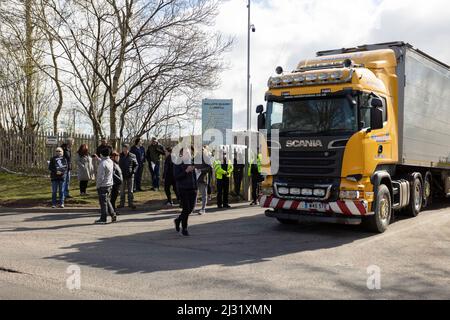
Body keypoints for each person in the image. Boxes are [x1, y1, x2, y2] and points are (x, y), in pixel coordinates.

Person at [173, 148, 197, 236]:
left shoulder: (191, 162)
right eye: (186, 153)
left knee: (190, 209)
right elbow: (176, 176)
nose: (188, 154)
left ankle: (178, 220)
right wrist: (186, 171)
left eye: (189, 152)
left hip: (192, 188)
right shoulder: (177, 163)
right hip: (183, 188)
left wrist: (196, 187)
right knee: (186, 208)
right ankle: (184, 228)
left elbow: (194, 176)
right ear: (181, 154)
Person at [95, 148, 116, 224]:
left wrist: (98, 185)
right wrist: (98, 159)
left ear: (101, 154)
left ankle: (103, 218)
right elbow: (104, 161)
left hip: (103, 185)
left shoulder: (102, 164)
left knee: (103, 203)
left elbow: (100, 177)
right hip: (110, 184)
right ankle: (113, 214)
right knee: (107, 200)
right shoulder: (110, 161)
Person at [119, 143, 138, 209]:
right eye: (123, 148)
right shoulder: (120, 155)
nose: (124, 149)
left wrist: (133, 172)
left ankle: (131, 203)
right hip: (122, 175)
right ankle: (122, 204)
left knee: (130, 190)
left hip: (130, 175)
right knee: (122, 190)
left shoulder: (132, 156)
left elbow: (136, 165)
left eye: (125, 148)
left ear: (128, 149)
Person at [196, 146, 213, 215]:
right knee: (194, 194)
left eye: (201, 150)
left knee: (203, 195)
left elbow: (210, 168)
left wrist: (201, 170)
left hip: (203, 178)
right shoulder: (196, 157)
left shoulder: (206, 158)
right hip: (196, 178)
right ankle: (192, 208)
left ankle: (203, 209)